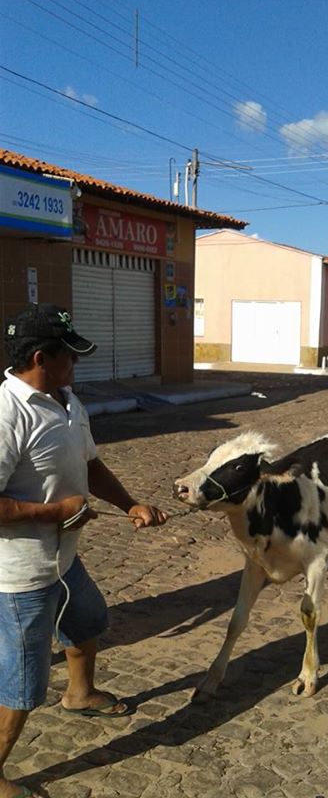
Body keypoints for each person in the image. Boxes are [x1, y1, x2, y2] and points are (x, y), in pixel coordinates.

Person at [0, 303, 168, 798]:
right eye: (68, 357)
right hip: (22, 575)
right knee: (23, 684)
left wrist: (130, 503)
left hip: (63, 560)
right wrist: (54, 512)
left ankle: (80, 693)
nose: (76, 365)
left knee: (87, 620)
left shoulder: (68, 400)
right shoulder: (8, 414)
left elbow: (91, 465)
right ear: (40, 358)